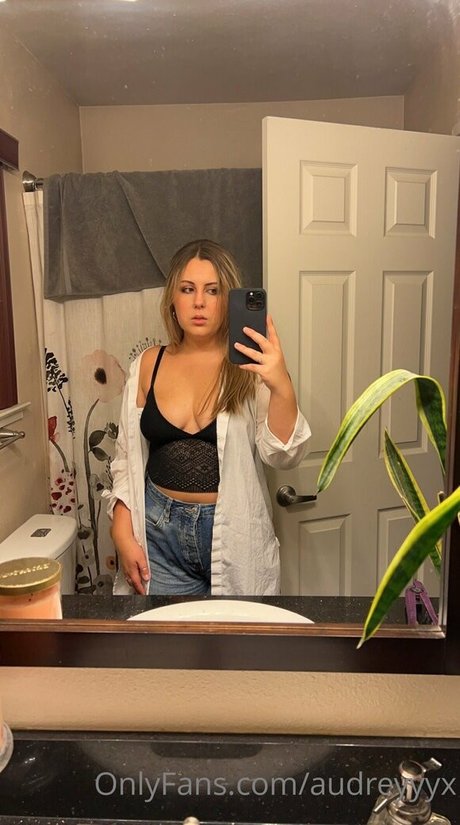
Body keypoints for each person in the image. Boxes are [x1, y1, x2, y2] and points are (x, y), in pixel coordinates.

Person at [104, 239, 311, 596]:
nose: (199, 302)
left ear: (228, 300)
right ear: (172, 299)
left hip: (235, 536)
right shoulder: (148, 364)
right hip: (158, 537)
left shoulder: (250, 367)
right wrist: (121, 528)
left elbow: (283, 454)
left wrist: (280, 384)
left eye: (212, 291)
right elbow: (126, 457)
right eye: (188, 289)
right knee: (168, 632)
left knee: (237, 632)